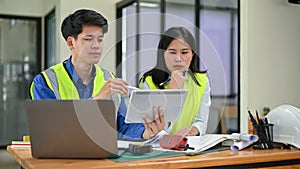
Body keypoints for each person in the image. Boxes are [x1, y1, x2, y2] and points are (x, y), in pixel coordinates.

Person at [29, 9, 164, 140]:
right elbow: (51, 130)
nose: (96, 46)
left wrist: (145, 132)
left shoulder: (110, 79)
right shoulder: (45, 82)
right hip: (63, 159)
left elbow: (122, 126)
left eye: (100, 39)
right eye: (88, 39)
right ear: (71, 42)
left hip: (104, 158)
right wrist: (99, 99)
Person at [139, 27, 211, 136]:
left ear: (192, 54)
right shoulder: (148, 82)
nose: (178, 58)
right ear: (162, 54)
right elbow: (156, 130)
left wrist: (195, 129)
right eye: (172, 52)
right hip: (159, 147)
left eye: (184, 52)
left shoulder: (202, 81)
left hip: (189, 146)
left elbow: (201, 121)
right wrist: (172, 91)